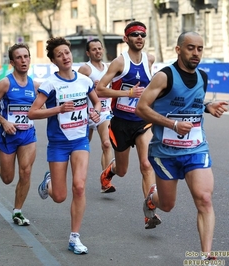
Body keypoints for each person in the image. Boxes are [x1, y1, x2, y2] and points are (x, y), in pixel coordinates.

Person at [135, 31, 229, 261]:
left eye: (199, 48)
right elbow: (141, 108)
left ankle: (206, 254)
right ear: (178, 50)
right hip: (165, 153)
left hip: (196, 148)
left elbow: (192, 105)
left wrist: (207, 106)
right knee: (166, 205)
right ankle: (151, 199)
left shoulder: (203, 77)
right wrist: (173, 124)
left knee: (204, 198)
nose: (196, 53)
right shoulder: (164, 76)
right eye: (190, 48)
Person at [28, 37, 101, 255]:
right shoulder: (50, 85)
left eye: (67, 53)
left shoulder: (84, 81)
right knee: (59, 196)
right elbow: (33, 112)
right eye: (59, 55)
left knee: (79, 186)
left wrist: (95, 110)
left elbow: (96, 101)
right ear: (53, 60)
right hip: (58, 143)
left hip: (80, 140)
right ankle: (49, 181)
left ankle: (74, 237)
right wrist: (57, 110)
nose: (65, 57)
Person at [95, 21, 161, 229]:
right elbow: (100, 89)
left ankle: (149, 212)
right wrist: (128, 93)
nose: (139, 37)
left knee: (146, 164)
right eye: (134, 34)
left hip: (142, 120)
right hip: (121, 122)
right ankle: (108, 173)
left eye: (142, 34)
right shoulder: (119, 63)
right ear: (126, 39)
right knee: (122, 170)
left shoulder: (149, 59)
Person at [0, 43, 39, 226]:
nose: (23, 60)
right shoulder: (6, 83)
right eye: (19, 57)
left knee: (26, 171)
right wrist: (4, 122)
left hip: (28, 135)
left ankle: (17, 211)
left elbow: (51, 104)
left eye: (26, 56)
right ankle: (2, 165)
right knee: (7, 179)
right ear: (12, 61)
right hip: (8, 136)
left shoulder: (35, 85)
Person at [77, 39, 114, 173]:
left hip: (104, 113)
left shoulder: (109, 68)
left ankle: (106, 180)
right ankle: (77, 174)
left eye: (99, 48)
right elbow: (76, 90)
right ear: (88, 52)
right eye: (94, 49)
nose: (97, 51)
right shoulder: (85, 69)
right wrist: (92, 87)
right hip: (87, 114)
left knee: (106, 144)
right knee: (81, 148)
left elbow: (115, 87)